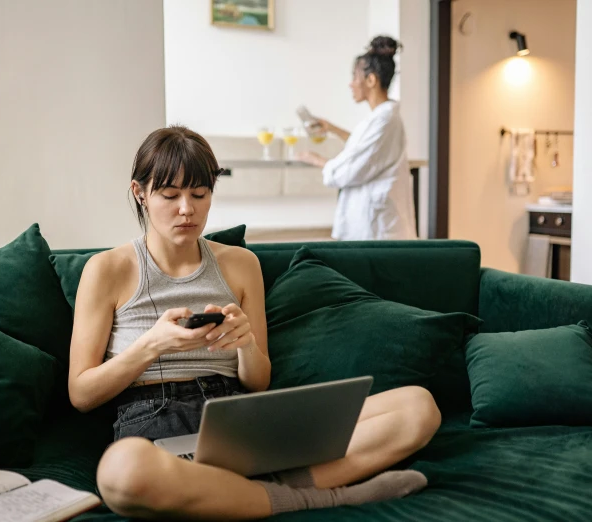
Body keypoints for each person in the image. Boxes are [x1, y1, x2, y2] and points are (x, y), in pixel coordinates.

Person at [68, 125, 440, 519]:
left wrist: (245, 344)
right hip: (151, 425)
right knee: (121, 472)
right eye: (170, 195)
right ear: (139, 193)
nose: (186, 209)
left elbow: (257, 381)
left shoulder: (240, 264)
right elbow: (81, 392)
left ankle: (235, 492)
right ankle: (315, 495)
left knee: (418, 407)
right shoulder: (106, 269)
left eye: (199, 194)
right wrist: (152, 345)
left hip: (237, 420)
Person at [300, 36, 418, 241]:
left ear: (371, 80)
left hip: (378, 231)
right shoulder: (380, 118)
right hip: (373, 225)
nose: (351, 84)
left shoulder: (385, 120)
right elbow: (361, 145)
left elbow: (348, 170)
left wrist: (315, 159)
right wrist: (331, 128)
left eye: (354, 77)